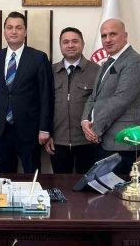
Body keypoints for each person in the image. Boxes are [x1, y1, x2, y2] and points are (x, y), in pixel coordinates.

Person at [81, 18, 140, 176]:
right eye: (104, 36)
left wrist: (95, 130)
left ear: (125, 36)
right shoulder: (108, 62)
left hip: (122, 143)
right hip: (104, 141)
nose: (107, 40)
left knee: (117, 190)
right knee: (101, 188)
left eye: (113, 34)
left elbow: (120, 100)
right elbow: (93, 96)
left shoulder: (135, 62)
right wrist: (85, 120)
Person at [0, 11, 53, 173]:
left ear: (25, 32)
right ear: (4, 31)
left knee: (32, 176)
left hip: (30, 130)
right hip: (1, 130)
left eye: (18, 27)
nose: (14, 31)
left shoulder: (38, 58)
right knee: (5, 176)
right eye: (9, 27)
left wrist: (45, 128)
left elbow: (46, 95)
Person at [45, 27, 101, 174]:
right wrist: (48, 133)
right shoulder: (50, 71)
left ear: (82, 44)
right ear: (60, 45)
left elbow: (102, 104)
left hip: (88, 141)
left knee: (87, 184)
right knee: (61, 184)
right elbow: (45, 106)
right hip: (58, 142)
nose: (70, 45)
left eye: (75, 41)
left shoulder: (97, 71)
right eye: (66, 42)